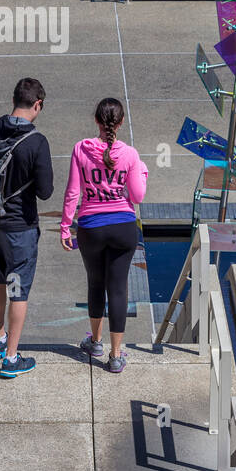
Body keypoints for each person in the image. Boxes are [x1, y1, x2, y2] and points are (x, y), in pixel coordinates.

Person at [0, 77, 53, 379]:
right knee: (18, 291)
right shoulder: (36, 142)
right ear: (37, 104)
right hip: (19, 229)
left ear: (14, 99)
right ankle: (10, 358)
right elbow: (45, 191)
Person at [60, 97, 148, 373]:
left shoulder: (80, 149)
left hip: (91, 227)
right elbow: (137, 195)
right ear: (120, 123)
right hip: (123, 226)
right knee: (118, 288)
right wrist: (142, 172)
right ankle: (115, 355)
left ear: (96, 121)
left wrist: (65, 226)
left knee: (96, 283)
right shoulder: (131, 155)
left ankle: (95, 341)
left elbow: (73, 192)